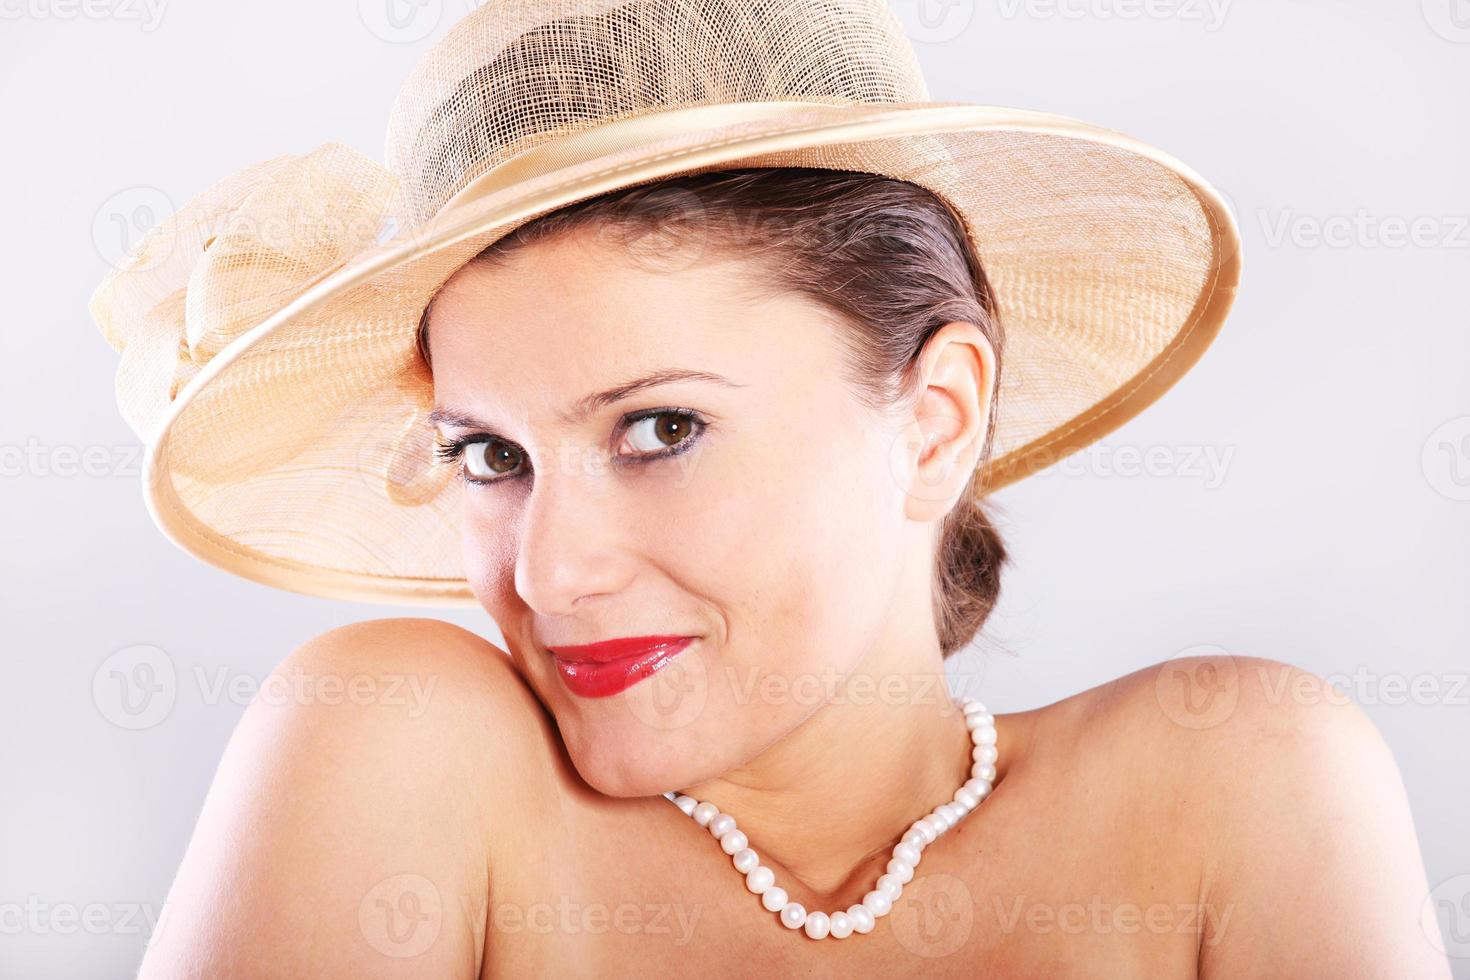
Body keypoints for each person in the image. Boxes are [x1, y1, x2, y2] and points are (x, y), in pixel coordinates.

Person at [90, 1, 1448, 976]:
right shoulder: (402, 750)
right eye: (491, 457)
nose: (549, 574)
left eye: (659, 426)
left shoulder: (1235, 785)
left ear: (931, 418)